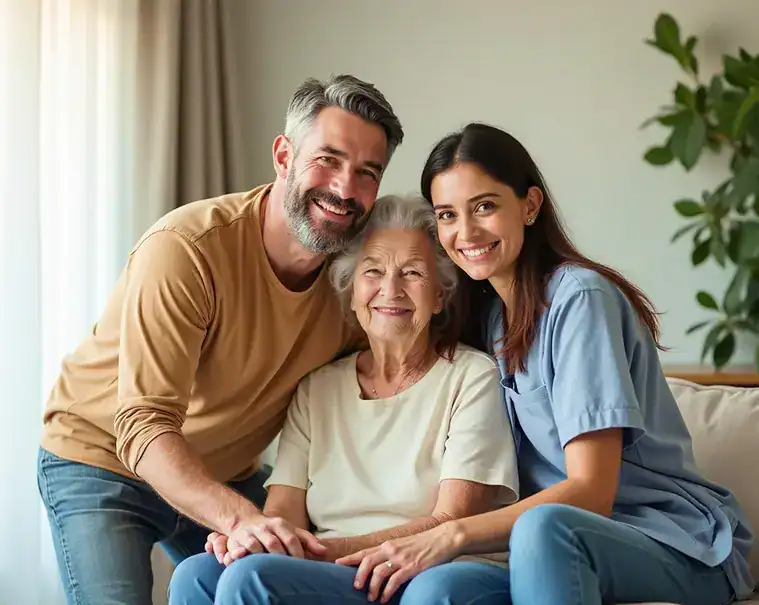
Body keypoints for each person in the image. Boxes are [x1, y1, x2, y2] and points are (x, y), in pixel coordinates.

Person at [337, 123, 756, 605]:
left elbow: (592, 491)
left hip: (672, 544)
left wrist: (453, 535)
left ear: (530, 206)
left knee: (541, 528)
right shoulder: (489, 316)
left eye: (485, 206)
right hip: (544, 546)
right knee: (440, 587)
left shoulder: (580, 300)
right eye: (447, 215)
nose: (466, 232)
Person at [36, 74, 404, 605]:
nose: (345, 189)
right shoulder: (187, 250)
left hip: (226, 471)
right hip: (103, 459)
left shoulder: (355, 281)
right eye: (328, 159)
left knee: (286, 582)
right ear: (283, 156)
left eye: (367, 173)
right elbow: (142, 425)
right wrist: (242, 520)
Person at [167, 194, 519, 605]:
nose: (391, 289)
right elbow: (284, 514)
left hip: (421, 566)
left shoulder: (470, 376)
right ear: (351, 290)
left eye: (412, 273)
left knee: (254, 579)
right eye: (373, 271)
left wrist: (325, 553)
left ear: (440, 295)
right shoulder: (317, 389)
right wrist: (251, 537)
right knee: (196, 574)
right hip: (329, 567)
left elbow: (452, 517)